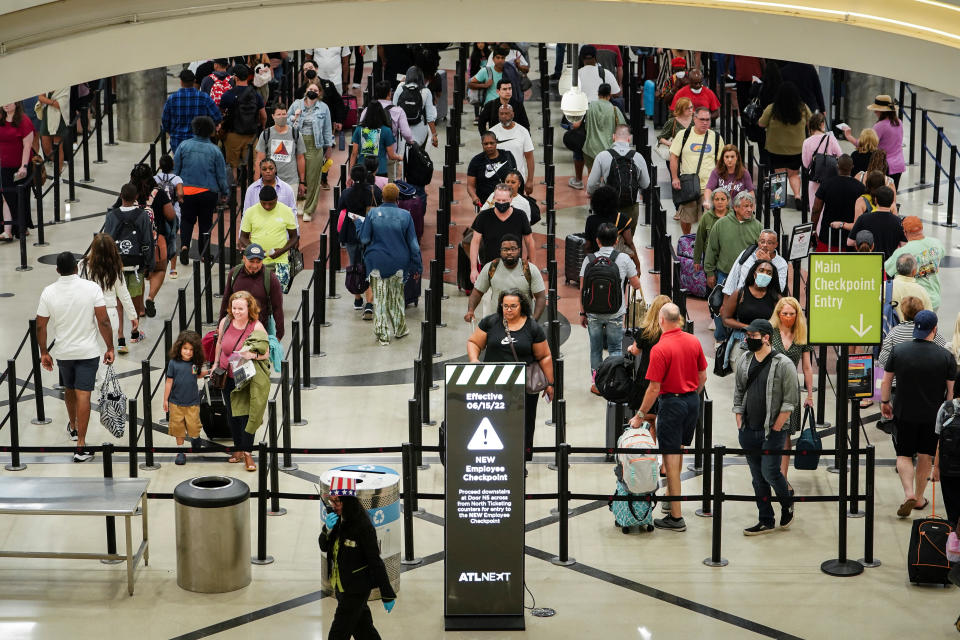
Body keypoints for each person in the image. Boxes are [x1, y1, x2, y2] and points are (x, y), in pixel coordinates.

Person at [630, 303, 707, 532]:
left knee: (670, 459)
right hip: (692, 401)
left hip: (671, 404)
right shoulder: (693, 341)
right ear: (679, 320)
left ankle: (676, 517)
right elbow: (703, 375)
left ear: (661, 320)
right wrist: (690, 393)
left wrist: (640, 415)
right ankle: (671, 497)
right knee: (679, 451)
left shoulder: (660, 348)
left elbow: (654, 388)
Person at [36, 252, 115, 462]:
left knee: (69, 389)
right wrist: (110, 347)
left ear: (57, 270)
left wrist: (44, 352)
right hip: (87, 351)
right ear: (76, 268)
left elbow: (40, 325)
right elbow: (104, 321)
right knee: (84, 395)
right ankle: (81, 445)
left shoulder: (48, 292)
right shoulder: (91, 289)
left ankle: (73, 426)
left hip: (64, 352)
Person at [881, 310, 956, 517]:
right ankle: (920, 497)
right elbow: (950, 392)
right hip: (932, 416)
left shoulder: (899, 351)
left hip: (904, 412)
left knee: (903, 454)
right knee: (925, 455)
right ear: (935, 329)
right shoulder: (946, 356)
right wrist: (948, 415)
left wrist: (885, 402)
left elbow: (886, 381)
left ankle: (908, 493)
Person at [467, 289, 554, 465]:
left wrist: (549, 383)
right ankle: (496, 459)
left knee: (524, 425)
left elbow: (544, 356)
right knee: (493, 423)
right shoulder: (491, 322)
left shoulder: (532, 327)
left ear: (522, 306)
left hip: (523, 388)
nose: (508, 309)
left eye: (513, 306)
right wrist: (474, 359)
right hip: (494, 385)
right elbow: (474, 342)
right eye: (505, 306)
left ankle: (520, 462)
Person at [733, 318, 798, 535]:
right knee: (757, 478)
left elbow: (790, 401)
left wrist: (778, 426)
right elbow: (739, 391)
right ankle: (765, 519)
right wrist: (739, 420)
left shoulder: (784, 364)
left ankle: (787, 501)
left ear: (766, 337)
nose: (748, 339)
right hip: (749, 430)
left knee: (770, 472)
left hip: (773, 431)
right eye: (748, 336)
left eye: (753, 336)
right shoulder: (744, 359)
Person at [319, 475, 397, 639]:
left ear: (348, 501)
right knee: (364, 631)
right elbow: (324, 546)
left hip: (355, 590)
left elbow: (375, 561)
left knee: (337, 635)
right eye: (332, 501)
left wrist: (387, 593)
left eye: (337, 502)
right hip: (340, 586)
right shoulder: (337, 520)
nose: (334, 506)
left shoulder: (363, 526)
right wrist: (327, 529)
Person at [579, 223, 644, 380]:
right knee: (615, 348)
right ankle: (613, 380)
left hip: (593, 312)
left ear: (597, 241)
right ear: (616, 241)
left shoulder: (589, 260)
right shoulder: (623, 259)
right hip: (615, 311)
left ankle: (596, 383)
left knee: (595, 349)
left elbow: (582, 290)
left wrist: (582, 312)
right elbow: (636, 284)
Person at [358, 183, 422, 341]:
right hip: (399, 262)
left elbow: (364, 238)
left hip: (376, 261)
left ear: (382, 197)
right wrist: (417, 267)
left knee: (379, 297)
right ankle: (399, 329)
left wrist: (359, 225)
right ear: (398, 198)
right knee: (396, 296)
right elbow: (414, 245)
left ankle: (382, 333)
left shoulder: (373, 214)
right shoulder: (406, 216)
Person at [213, 290, 267, 471]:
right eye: (234, 308)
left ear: (249, 308)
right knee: (232, 413)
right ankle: (237, 448)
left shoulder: (256, 326)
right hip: (225, 375)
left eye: (240, 309)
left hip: (243, 376)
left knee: (245, 414)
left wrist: (251, 354)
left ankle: (247, 452)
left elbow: (265, 353)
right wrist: (214, 364)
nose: (236, 312)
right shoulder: (225, 322)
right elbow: (219, 343)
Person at [115, 163, 176, 319]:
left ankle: (140, 309)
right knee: (160, 270)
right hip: (157, 241)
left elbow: (116, 213)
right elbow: (170, 216)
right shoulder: (159, 194)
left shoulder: (128, 195)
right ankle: (151, 297)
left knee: (138, 272)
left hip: (133, 243)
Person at [103, 183, 155, 352]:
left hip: (116, 265)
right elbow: (147, 241)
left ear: (121, 195)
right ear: (136, 197)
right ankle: (134, 332)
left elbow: (106, 240)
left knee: (118, 300)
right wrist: (149, 263)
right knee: (134, 297)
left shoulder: (111, 215)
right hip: (136, 264)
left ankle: (120, 337)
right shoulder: (142, 216)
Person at [769, 297, 814, 483]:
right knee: (770, 431)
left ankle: (782, 477)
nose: (788, 317)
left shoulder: (801, 335)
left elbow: (807, 367)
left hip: (791, 388)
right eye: (785, 313)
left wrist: (810, 394)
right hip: (771, 386)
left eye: (792, 314)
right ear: (778, 314)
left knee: (786, 433)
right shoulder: (770, 332)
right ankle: (769, 473)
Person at [174, 115, 228, 266]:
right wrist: (225, 192)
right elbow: (221, 175)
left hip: (187, 191)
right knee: (205, 223)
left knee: (186, 219)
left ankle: (184, 246)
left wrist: (176, 189)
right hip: (207, 193)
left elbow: (176, 170)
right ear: (211, 131)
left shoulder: (184, 146)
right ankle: (204, 254)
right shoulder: (215, 150)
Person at [79, 234, 137, 374]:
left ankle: (91, 384)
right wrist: (133, 316)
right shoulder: (115, 268)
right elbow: (124, 294)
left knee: (90, 354)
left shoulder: (82, 265)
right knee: (107, 353)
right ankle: (103, 389)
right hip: (110, 314)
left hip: (88, 313)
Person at [464, 235, 546, 324]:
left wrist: (534, 320)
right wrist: (471, 310)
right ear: (500, 251)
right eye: (505, 249)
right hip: (498, 323)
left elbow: (540, 297)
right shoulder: (491, 268)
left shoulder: (530, 269)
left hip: (524, 323)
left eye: (513, 249)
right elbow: (477, 292)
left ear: (519, 250)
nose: (509, 252)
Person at [586, 124, 650, 233]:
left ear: (613, 137)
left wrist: (590, 192)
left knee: (607, 239)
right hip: (631, 206)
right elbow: (645, 184)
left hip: (607, 207)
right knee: (627, 242)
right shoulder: (638, 157)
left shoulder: (602, 156)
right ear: (629, 138)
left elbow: (592, 184)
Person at [670, 106, 724, 235]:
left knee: (708, 221)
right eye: (702, 119)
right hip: (688, 185)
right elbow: (674, 157)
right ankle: (687, 240)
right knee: (686, 218)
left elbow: (720, 162)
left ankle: (705, 246)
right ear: (694, 119)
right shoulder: (683, 135)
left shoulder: (716, 137)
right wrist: (675, 178)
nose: (705, 123)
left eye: (708, 120)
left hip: (709, 187)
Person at [721, 259, 782, 371]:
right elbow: (726, 319)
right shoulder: (740, 293)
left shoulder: (775, 298)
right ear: (754, 273)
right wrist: (747, 327)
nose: (765, 274)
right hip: (742, 342)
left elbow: (782, 322)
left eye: (769, 273)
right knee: (743, 381)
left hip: (766, 344)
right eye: (761, 270)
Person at [238, 185, 299, 292]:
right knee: (251, 289)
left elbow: (294, 237)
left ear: (276, 199)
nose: (267, 206)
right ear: (259, 200)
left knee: (278, 289)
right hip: (255, 260)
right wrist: (255, 250)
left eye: (271, 203)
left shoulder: (287, 211)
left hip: (280, 260)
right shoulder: (250, 212)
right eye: (263, 203)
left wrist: (281, 251)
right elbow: (243, 237)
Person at [469, 184, 535, 282]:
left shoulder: (520, 216)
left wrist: (533, 268)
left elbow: (529, 241)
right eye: (498, 200)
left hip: (515, 270)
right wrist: (473, 269)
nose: (501, 203)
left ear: (511, 199)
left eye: (504, 201)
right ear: (494, 198)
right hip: (491, 269)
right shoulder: (483, 217)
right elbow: (475, 242)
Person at [339, 164, 382, 312]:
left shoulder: (346, 193)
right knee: (370, 266)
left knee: (354, 265)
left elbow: (340, 208)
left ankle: (357, 299)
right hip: (369, 233)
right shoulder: (374, 191)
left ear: (351, 177)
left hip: (351, 233)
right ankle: (370, 302)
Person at [758, 81, 811, 200]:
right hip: (797, 149)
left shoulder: (772, 108)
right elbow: (810, 123)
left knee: (778, 174)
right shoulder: (803, 107)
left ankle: (778, 199)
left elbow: (761, 124)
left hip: (776, 148)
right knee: (794, 174)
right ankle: (797, 195)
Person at [219, 243, 284, 338]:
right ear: (244, 258)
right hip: (235, 330)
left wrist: (279, 335)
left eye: (258, 261)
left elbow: (277, 307)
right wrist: (220, 325)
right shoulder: (234, 273)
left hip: (259, 332)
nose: (254, 265)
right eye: (251, 261)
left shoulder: (270, 278)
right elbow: (226, 300)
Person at [288, 80, 334, 215]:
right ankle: (300, 203)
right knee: (299, 177)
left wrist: (329, 146)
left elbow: (327, 128)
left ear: (319, 93)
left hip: (315, 145)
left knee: (313, 178)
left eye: (316, 90)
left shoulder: (324, 107)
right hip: (298, 143)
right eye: (311, 89)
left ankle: (309, 209)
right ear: (306, 91)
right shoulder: (297, 103)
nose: (313, 92)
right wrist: (294, 117)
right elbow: (285, 119)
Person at [625, 294, 672, 421]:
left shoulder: (645, 332)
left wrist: (630, 348)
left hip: (647, 378)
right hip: (668, 379)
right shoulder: (673, 333)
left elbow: (635, 351)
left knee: (647, 417)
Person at [843, 94, 906, 188]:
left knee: (882, 195)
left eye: (877, 109)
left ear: (882, 111)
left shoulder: (880, 125)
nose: (875, 112)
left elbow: (863, 143)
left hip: (886, 165)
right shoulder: (899, 122)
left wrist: (848, 136)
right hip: (899, 164)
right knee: (892, 193)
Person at [163, 330, 207, 465]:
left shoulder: (194, 364)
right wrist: (165, 399)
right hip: (176, 402)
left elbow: (196, 375)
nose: (188, 352)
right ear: (179, 348)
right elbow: (169, 381)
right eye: (185, 348)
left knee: (193, 426)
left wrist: (207, 372)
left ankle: (196, 437)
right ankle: (180, 451)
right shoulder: (173, 363)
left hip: (192, 402)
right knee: (178, 428)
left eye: (191, 350)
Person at [704, 191, 761, 293]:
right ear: (735, 207)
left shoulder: (758, 227)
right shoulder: (721, 224)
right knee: (722, 306)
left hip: (748, 276)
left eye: (751, 206)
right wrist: (709, 273)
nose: (749, 209)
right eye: (745, 206)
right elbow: (712, 249)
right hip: (724, 275)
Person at [884, 216, 944, 310]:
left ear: (905, 232)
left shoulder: (902, 253)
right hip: (934, 300)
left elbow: (886, 270)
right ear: (922, 228)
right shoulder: (937, 243)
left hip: (912, 304)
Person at [254, 103, 306, 206]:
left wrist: (302, 182)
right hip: (270, 181)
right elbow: (259, 159)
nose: (282, 117)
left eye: (284, 114)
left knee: (289, 213)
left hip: (291, 181)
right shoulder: (266, 134)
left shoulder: (296, 134)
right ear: (273, 116)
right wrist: (257, 183)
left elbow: (300, 158)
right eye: (278, 114)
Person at [361, 82, 415, 180]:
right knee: (388, 188)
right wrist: (411, 142)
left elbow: (362, 129)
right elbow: (406, 133)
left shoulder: (367, 110)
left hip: (369, 156)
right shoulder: (398, 111)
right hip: (390, 156)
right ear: (389, 94)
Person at [218, 64, 267, 171]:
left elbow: (220, 114)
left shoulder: (227, 95)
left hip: (232, 134)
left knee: (233, 166)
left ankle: (235, 186)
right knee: (253, 165)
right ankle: (251, 186)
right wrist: (262, 127)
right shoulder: (255, 95)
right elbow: (263, 116)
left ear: (235, 77)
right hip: (251, 135)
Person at [811, 155, 864, 252]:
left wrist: (813, 230)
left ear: (837, 166)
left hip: (827, 236)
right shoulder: (860, 187)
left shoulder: (826, 184)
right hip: (850, 239)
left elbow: (816, 209)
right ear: (852, 167)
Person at [161, 69, 222, 153]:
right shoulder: (204, 97)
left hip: (178, 143)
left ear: (181, 82)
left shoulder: (172, 99)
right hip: (201, 144)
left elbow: (165, 122)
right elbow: (217, 117)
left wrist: (172, 132)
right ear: (194, 81)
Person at [0, 102, 36, 241]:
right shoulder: (1, 119)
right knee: (6, 196)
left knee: (21, 197)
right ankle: (7, 230)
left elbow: (27, 147)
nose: (6, 105)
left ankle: (22, 226)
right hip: (5, 166)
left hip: (20, 167)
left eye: (9, 102)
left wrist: (24, 166)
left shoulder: (24, 121)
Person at [581, 84, 628, 183]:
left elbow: (586, 126)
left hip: (590, 148)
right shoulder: (614, 109)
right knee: (608, 179)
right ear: (609, 95)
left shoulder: (589, 107)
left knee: (592, 178)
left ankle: (592, 194)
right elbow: (623, 129)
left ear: (598, 94)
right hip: (608, 151)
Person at [722, 229, 788, 296]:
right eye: (762, 242)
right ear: (758, 242)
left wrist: (768, 263)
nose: (765, 245)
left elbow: (780, 288)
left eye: (769, 243)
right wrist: (727, 297)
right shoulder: (747, 254)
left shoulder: (781, 263)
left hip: (766, 301)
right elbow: (733, 276)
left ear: (776, 245)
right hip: (743, 298)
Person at [847, 186, 905, 260]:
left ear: (876, 200)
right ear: (892, 202)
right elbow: (904, 245)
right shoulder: (898, 222)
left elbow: (850, 242)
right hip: (889, 265)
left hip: (869, 261)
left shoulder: (863, 218)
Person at [800, 113, 843, 211]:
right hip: (830, 179)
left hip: (814, 179)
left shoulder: (806, 142)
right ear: (822, 124)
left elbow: (806, 164)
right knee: (828, 210)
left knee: (815, 210)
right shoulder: (830, 139)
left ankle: (816, 227)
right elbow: (841, 156)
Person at [349, 101, 400, 179]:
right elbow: (391, 155)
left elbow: (354, 153)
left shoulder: (359, 129)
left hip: (362, 171)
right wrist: (400, 157)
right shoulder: (386, 131)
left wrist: (350, 174)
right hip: (381, 171)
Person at [488, 104, 535, 189]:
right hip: (497, 179)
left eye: (507, 113)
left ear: (512, 114)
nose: (504, 116)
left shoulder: (523, 131)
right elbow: (487, 157)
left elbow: (529, 157)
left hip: (517, 180)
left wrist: (530, 180)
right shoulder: (492, 132)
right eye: (501, 114)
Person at [466, 131, 516, 209]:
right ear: (482, 144)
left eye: (492, 143)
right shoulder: (476, 161)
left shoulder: (507, 156)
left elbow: (515, 178)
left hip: (507, 202)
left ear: (496, 142)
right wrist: (474, 197)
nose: (489, 146)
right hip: (485, 204)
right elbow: (470, 185)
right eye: (486, 144)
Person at [394, 66, 440, 148]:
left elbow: (394, 110)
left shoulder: (400, 88)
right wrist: (434, 135)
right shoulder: (426, 91)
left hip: (403, 130)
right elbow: (430, 117)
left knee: (404, 154)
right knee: (418, 154)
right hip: (420, 131)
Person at [155, 154, 184, 278]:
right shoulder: (177, 179)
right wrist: (180, 200)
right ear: (173, 165)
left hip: (159, 212)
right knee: (172, 238)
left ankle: (156, 264)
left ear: (160, 166)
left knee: (157, 237)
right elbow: (180, 193)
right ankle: (173, 269)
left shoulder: (155, 178)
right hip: (174, 212)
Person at [243, 158, 298, 223]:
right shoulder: (251, 189)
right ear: (260, 171)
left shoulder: (287, 188)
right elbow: (246, 213)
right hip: (259, 229)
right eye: (264, 169)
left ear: (275, 169)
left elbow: (293, 213)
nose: (268, 171)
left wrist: (295, 231)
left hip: (281, 229)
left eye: (271, 168)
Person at [693, 188, 729, 273]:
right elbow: (699, 239)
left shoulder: (733, 216)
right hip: (709, 257)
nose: (720, 202)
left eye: (723, 199)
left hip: (727, 257)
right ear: (712, 201)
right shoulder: (706, 217)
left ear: (727, 201)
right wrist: (697, 260)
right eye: (717, 199)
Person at [888, 254, 933, 318]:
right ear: (914, 271)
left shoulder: (885, 287)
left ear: (897, 269)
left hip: (889, 327)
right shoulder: (921, 291)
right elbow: (930, 317)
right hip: (913, 327)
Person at [36, 87, 70, 171]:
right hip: (46, 115)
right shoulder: (47, 80)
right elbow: (40, 97)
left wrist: (45, 99)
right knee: (46, 148)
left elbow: (60, 104)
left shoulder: (65, 85)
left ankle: (58, 174)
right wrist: (49, 101)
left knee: (58, 147)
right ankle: (58, 163)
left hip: (59, 117)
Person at [656, 97, 692, 162]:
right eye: (687, 108)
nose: (690, 110)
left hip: (691, 156)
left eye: (691, 107)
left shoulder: (695, 120)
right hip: (675, 157)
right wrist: (670, 144)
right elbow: (660, 138)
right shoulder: (672, 122)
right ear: (680, 109)